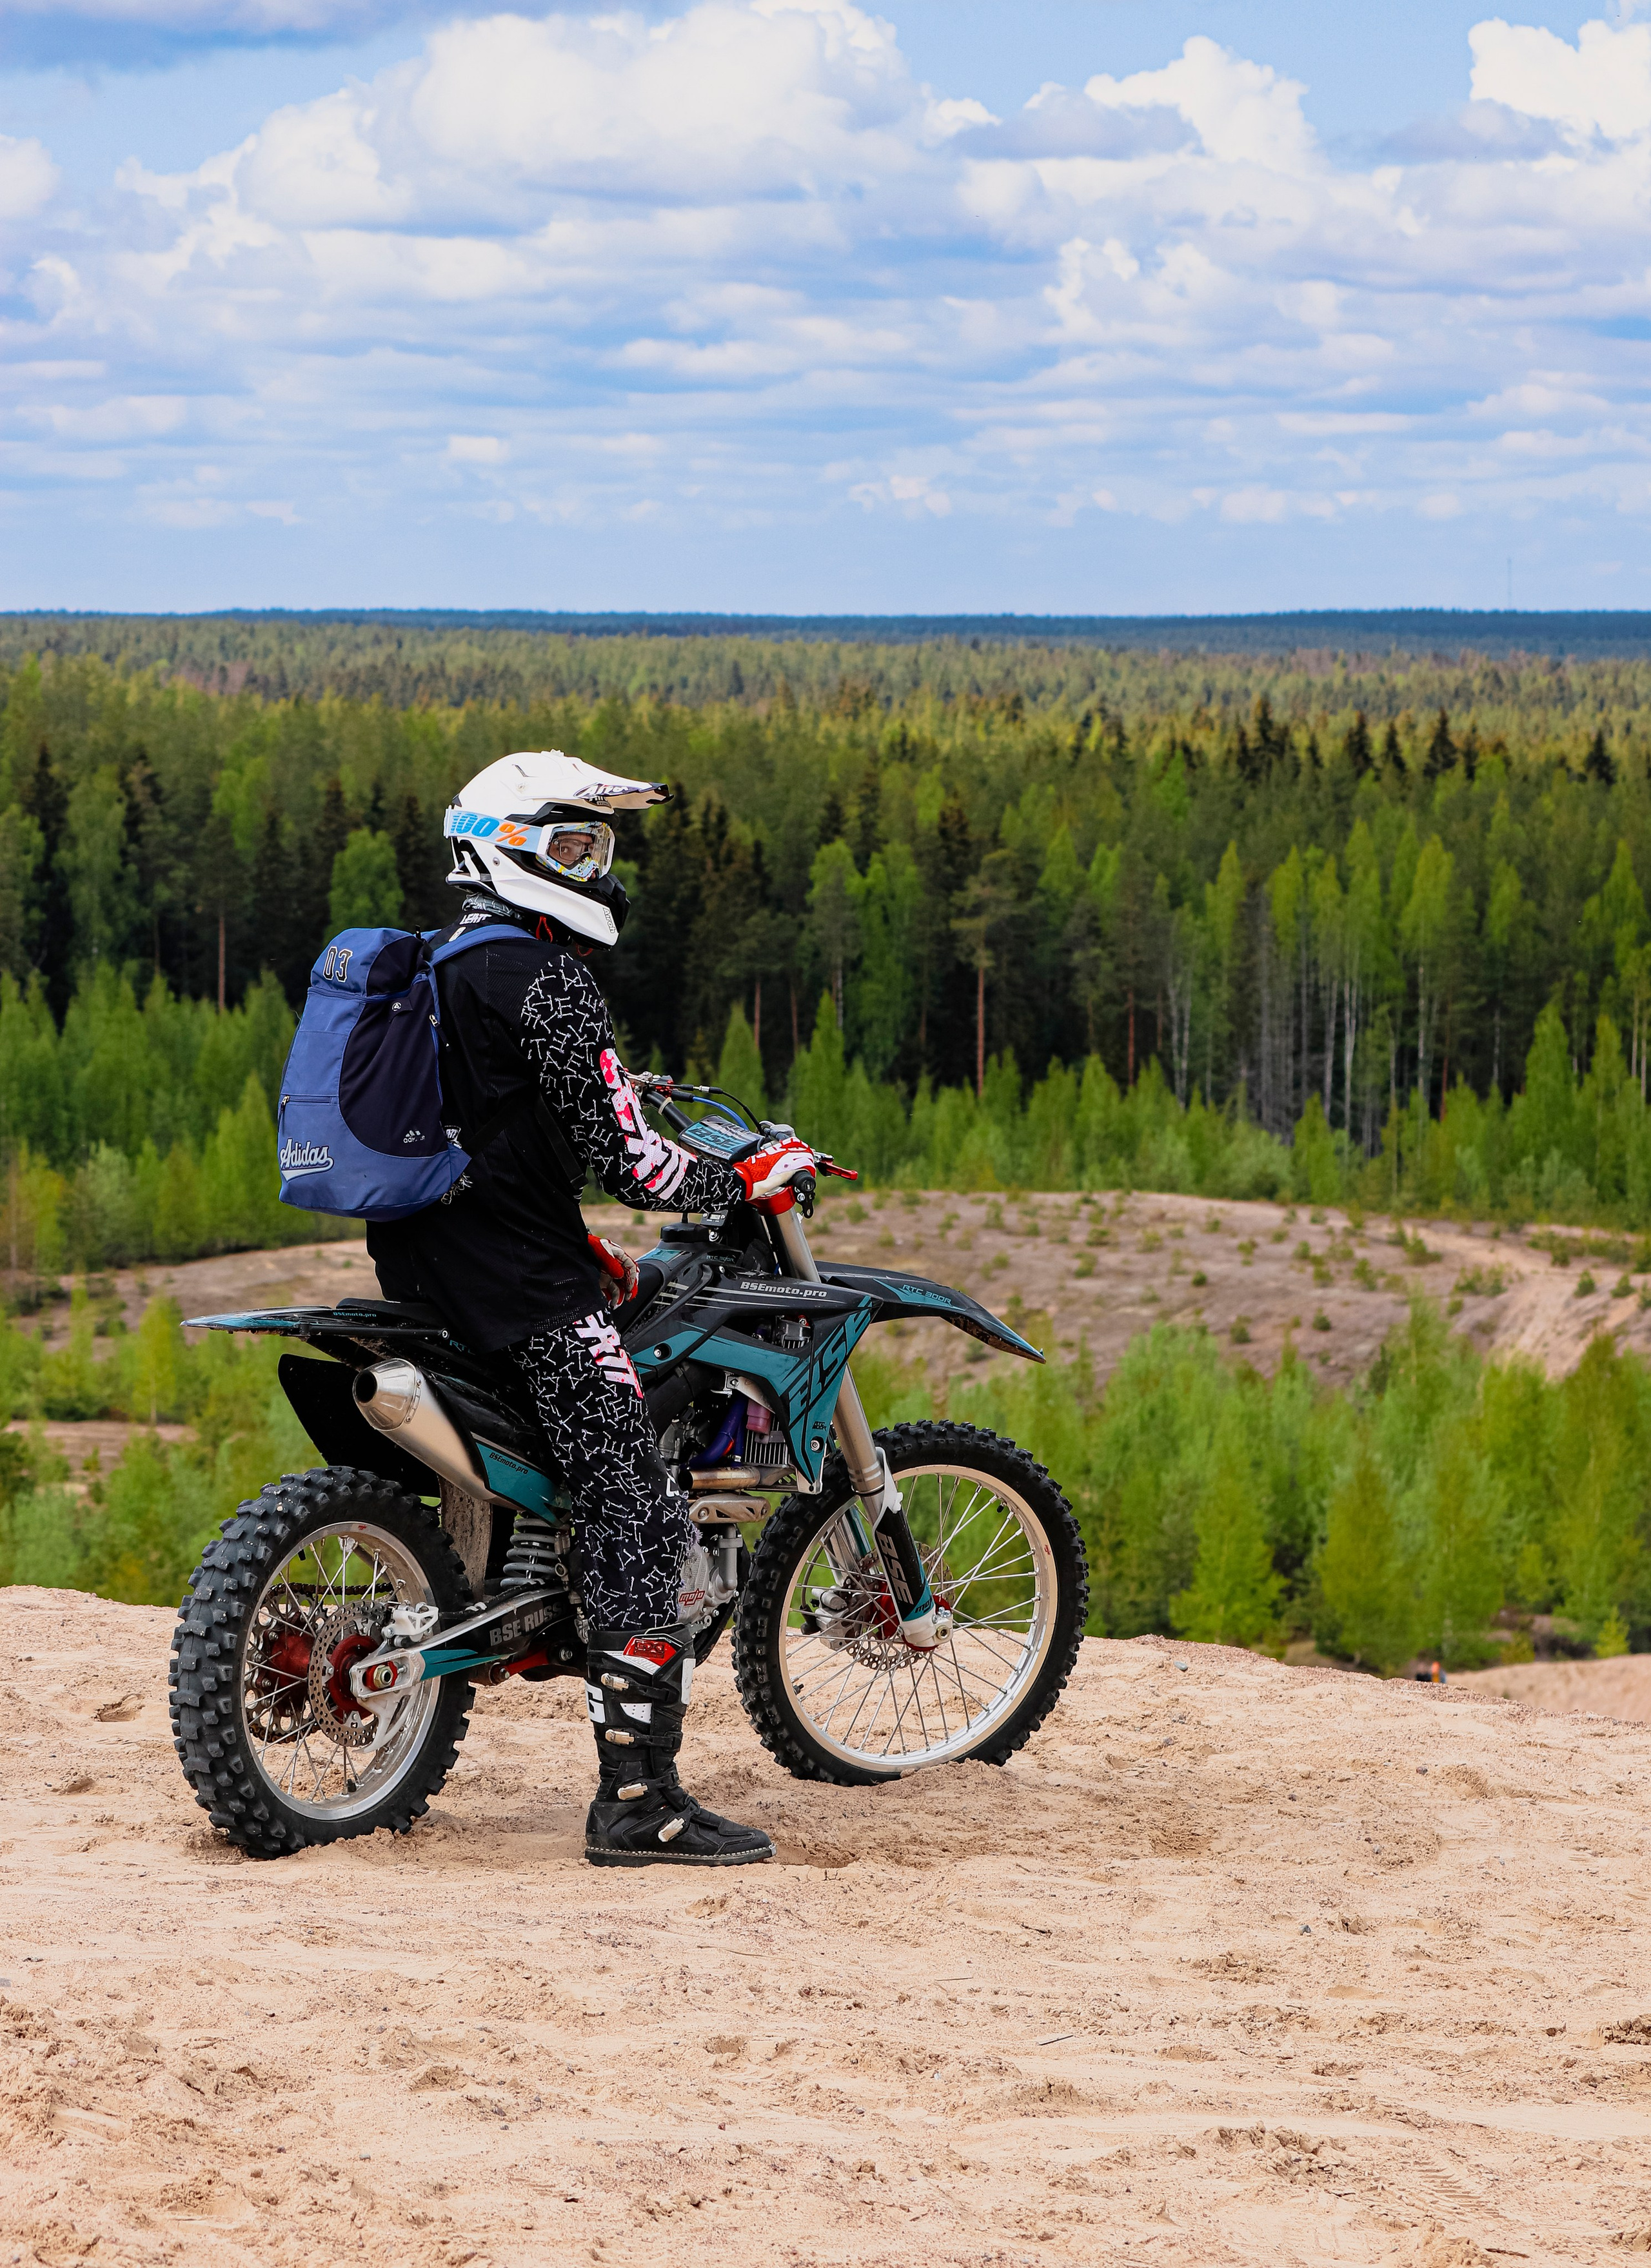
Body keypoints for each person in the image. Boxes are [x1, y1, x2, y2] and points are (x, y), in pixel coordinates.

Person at [368, 751, 816, 1867]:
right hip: (522, 1290)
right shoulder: (543, 977)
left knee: (592, 1463)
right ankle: (637, 1800)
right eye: (573, 847)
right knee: (636, 1504)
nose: (594, 868)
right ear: (507, 846)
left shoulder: (437, 964)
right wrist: (741, 1182)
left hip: (427, 1268)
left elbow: (506, 1133)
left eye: (598, 847)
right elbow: (635, 1163)